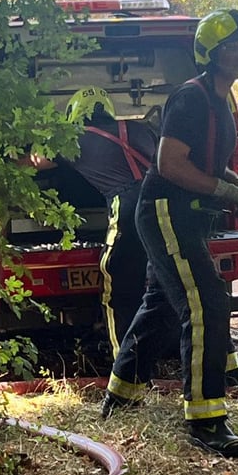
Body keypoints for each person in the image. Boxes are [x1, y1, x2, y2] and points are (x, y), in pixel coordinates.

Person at [100, 9, 238, 459]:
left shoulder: (224, 99)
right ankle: (206, 419)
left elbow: (210, 163)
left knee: (159, 305)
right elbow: (171, 164)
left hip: (189, 214)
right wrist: (224, 190)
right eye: (230, 46)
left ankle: (121, 395)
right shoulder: (191, 98)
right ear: (210, 53)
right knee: (205, 303)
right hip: (165, 210)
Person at [31, 86, 168, 358]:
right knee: (162, 285)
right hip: (164, 205)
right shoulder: (140, 130)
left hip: (129, 208)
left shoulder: (74, 138)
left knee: (117, 286)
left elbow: (36, 162)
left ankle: (125, 364)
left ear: (74, 114)